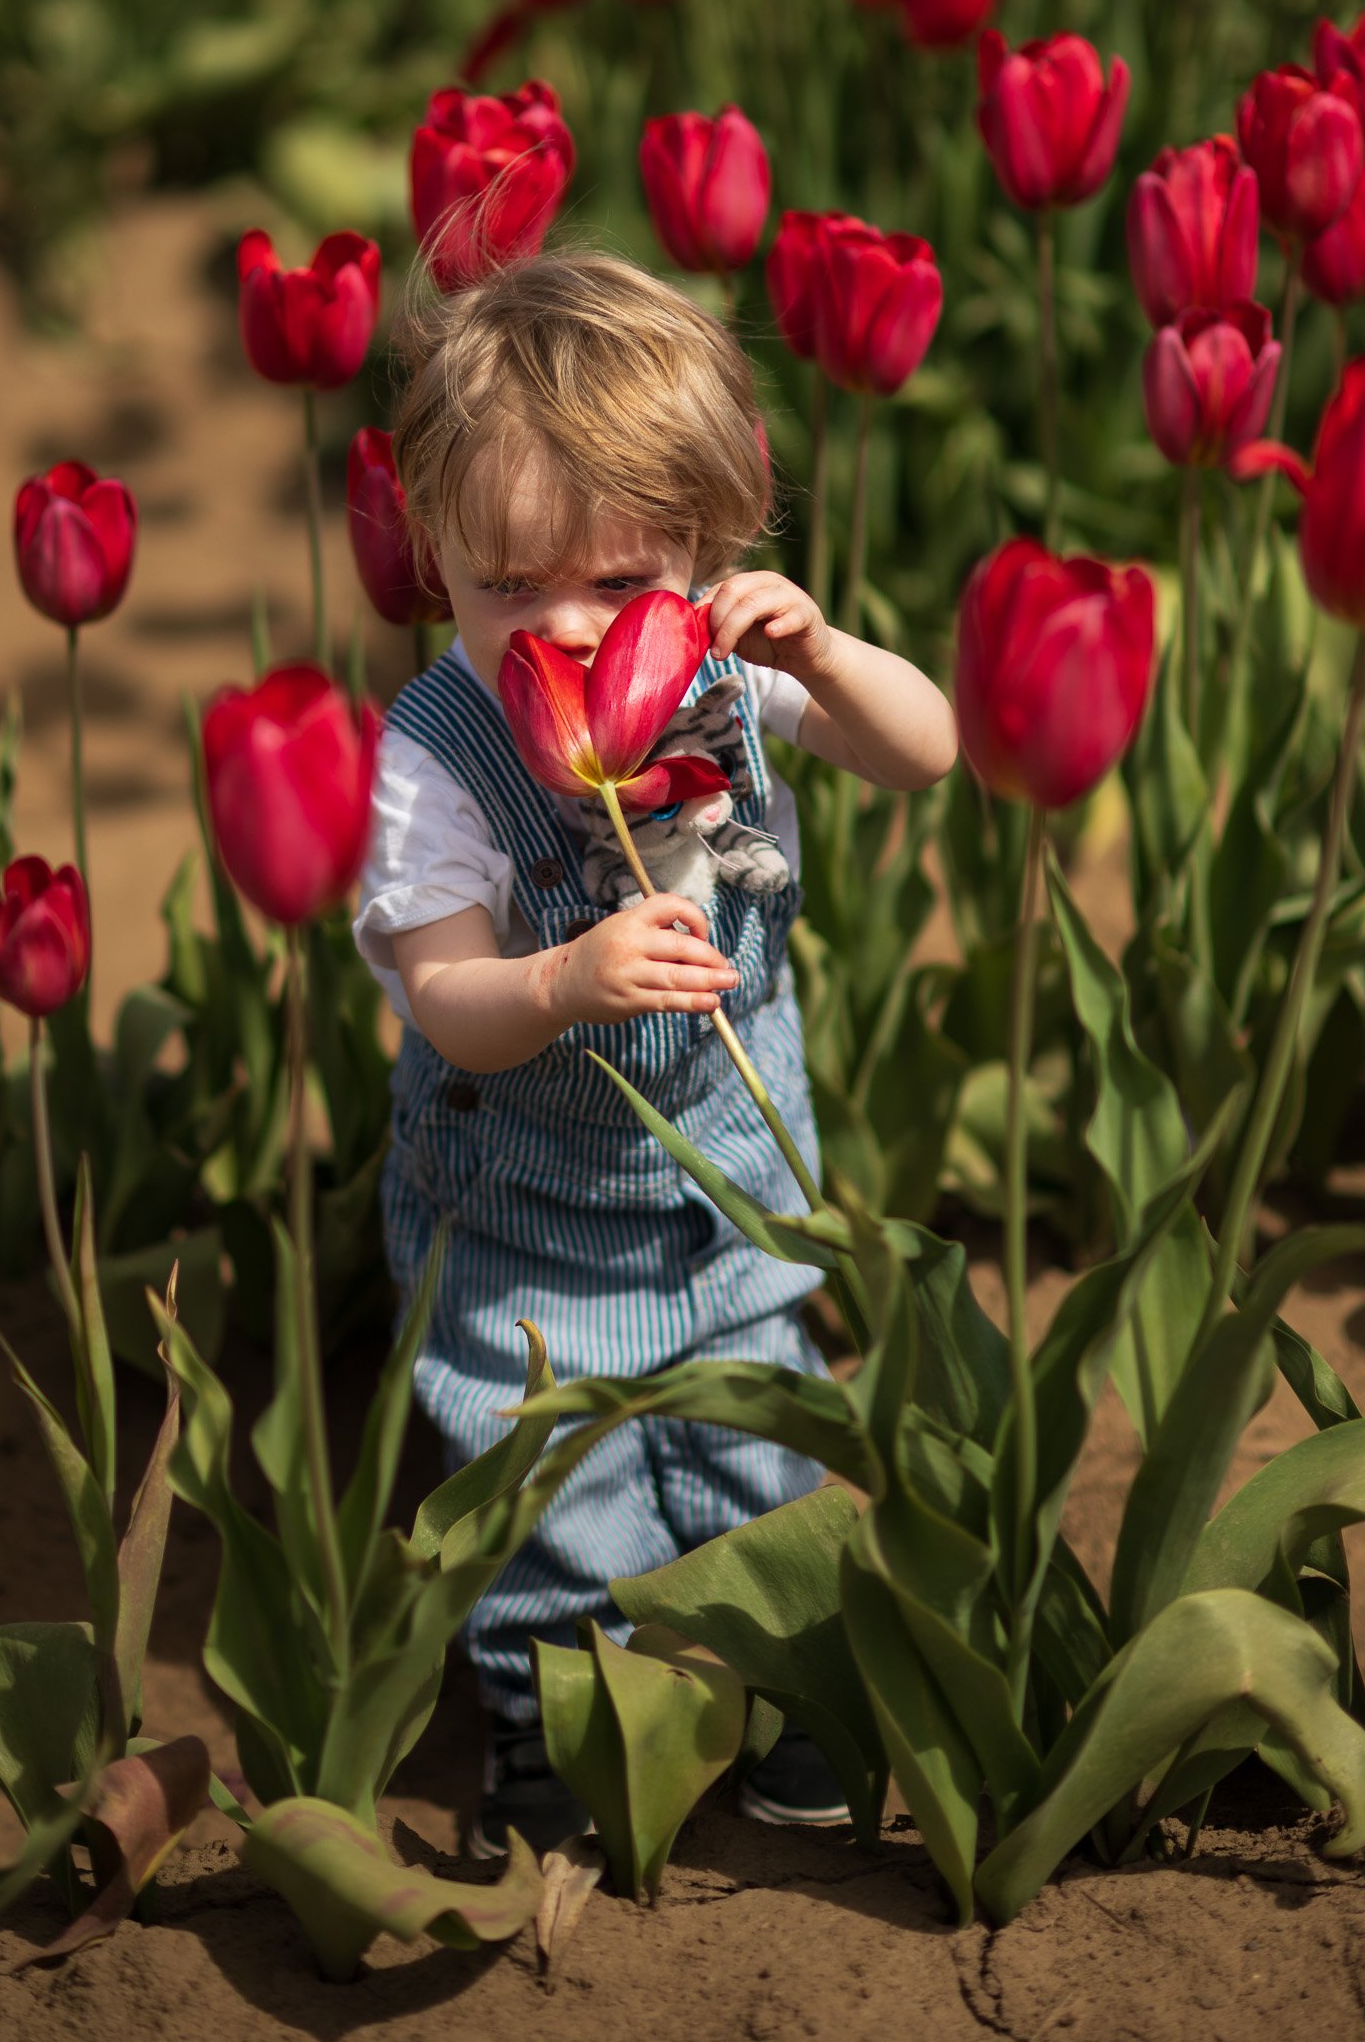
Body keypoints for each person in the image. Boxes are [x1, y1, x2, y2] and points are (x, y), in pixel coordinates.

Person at [351, 250, 957, 1856]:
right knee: (555, 1503)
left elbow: (928, 751)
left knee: (759, 1448)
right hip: (527, 1228)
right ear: (431, 560)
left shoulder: (726, 668)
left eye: (617, 585)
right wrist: (555, 980)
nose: (557, 631)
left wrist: (827, 659)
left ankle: (790, 1688)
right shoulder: (438, 754)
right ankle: (556, 1741)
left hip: (737, 1193)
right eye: (500, 588)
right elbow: (438, 994)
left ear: (702, 545)